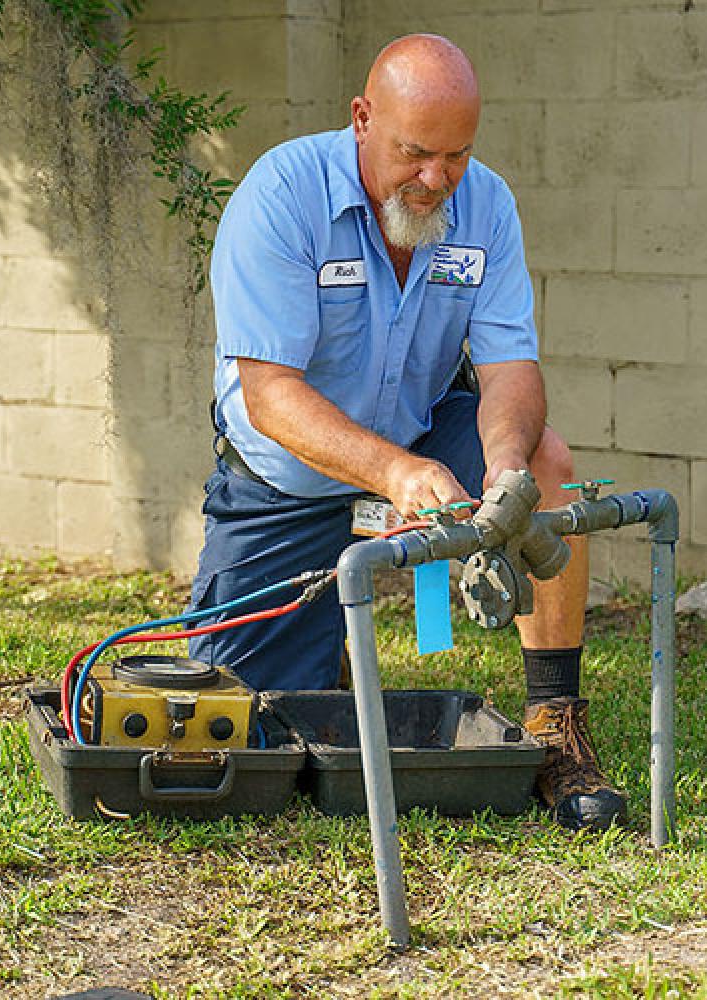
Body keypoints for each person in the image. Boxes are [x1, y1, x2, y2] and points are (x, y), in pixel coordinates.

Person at [189, 34, 626, 830]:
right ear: (362, 118)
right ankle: (323, 656)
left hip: (424, 437)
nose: (436, 181)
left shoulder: (485, 203)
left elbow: (510, 369)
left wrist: (502, 465)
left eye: (456, 155)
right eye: (416, 153)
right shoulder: (282, 195)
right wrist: (393, 475)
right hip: (287, 481)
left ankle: (556, 722)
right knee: (238, 748)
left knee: (546, 460)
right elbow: (271, 397)